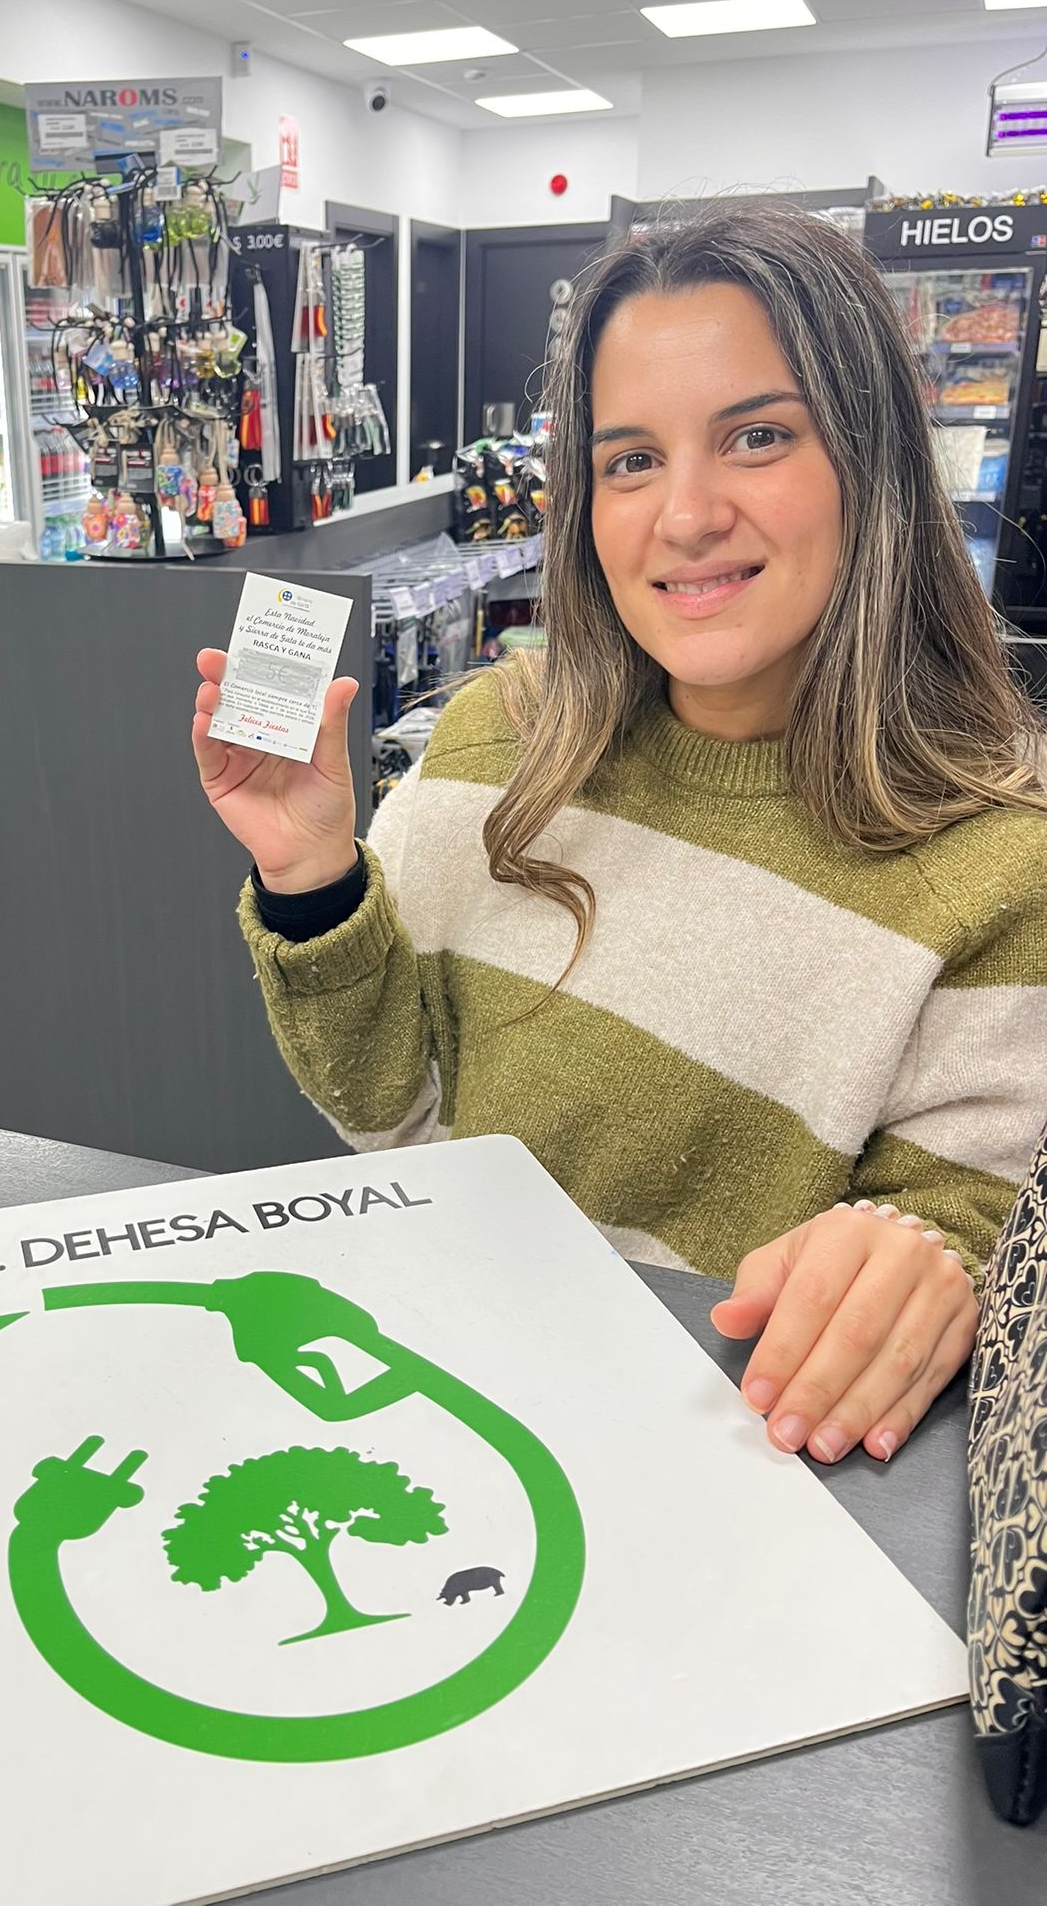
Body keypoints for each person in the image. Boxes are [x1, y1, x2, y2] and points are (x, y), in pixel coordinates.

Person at [192, 206, 1047, 1471]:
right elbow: (388, 1111)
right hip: (445, 1414)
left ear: (871, 461)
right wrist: (312, 876)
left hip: (731, 1480)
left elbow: (968, 1212)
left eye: (757, 436)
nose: (685, 515)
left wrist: (926, 1258)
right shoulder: (495, 739)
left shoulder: (1000, 859)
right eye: (632, 459)